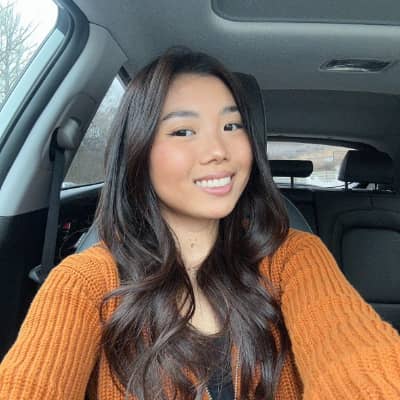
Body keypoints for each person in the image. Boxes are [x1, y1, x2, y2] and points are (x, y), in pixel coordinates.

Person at [1, 48, 400, 400]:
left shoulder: (295, 256)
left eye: (231, 126)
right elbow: (31, 384)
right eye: (183, 131)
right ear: (138, 150)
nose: (217, 150)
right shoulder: (84, 281)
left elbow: (353, 354)